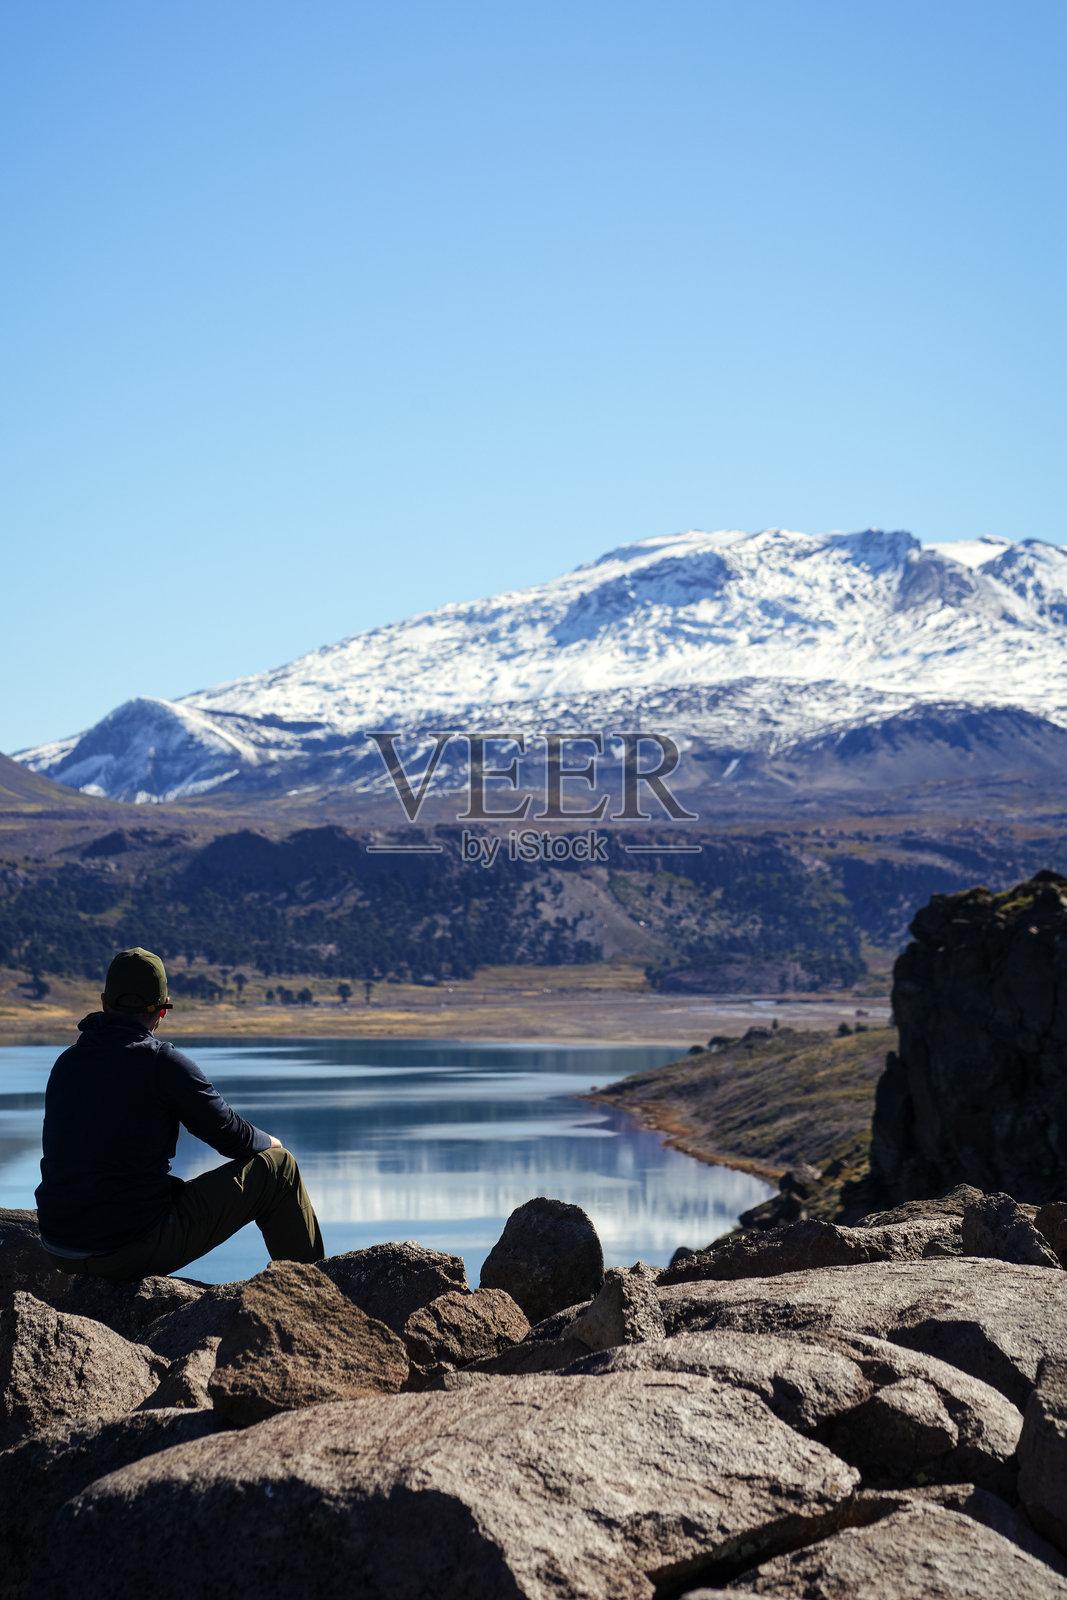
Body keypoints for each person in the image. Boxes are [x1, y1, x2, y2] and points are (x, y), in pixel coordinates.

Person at [35, 947, 324, 1279]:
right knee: (280, 1169)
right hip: (127, 1247)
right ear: (162, 1011)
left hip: (58, 1245)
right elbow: (232, 1137)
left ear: (104, 1002)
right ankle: (316, 1301)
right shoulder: (161, 1063)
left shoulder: (68, 1062)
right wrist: (271, 1142)